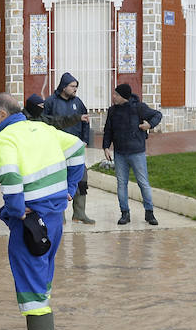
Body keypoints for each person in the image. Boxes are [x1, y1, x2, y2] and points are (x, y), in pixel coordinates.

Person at [0, 92, 86, 330]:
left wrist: (17, 210)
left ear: (2, 115)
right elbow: (77, 146)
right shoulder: (43, 129)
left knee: (31, 284)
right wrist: (70, 187)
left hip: (30, 220)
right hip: (53, 219)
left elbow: (9, 176)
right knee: (42, 277)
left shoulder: (6, 138)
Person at [102, 82, 163, 226]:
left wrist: (149, 125)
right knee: (121, 184)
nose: (113, 97)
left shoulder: (139, 108)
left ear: (123, 96)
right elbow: (108, 130)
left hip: (137, 152)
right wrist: (106, 147)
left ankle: (149, 213)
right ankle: (125, 213)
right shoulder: (112, 111)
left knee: (143, 183)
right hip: (120, 153)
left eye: (116, 94)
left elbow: (157, 115)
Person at [41, 72, 96, 224]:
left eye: (76, 86)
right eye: (72, 86)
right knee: (59, 181)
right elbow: (45, 123)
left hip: (75, 150)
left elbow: (85, 121)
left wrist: (85, 140)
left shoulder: (78, 103)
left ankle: (79, 213)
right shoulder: (50, 102)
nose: (75, 89)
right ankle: (60, 215)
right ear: (64, 86)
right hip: (56, 150)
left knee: (81, 179)